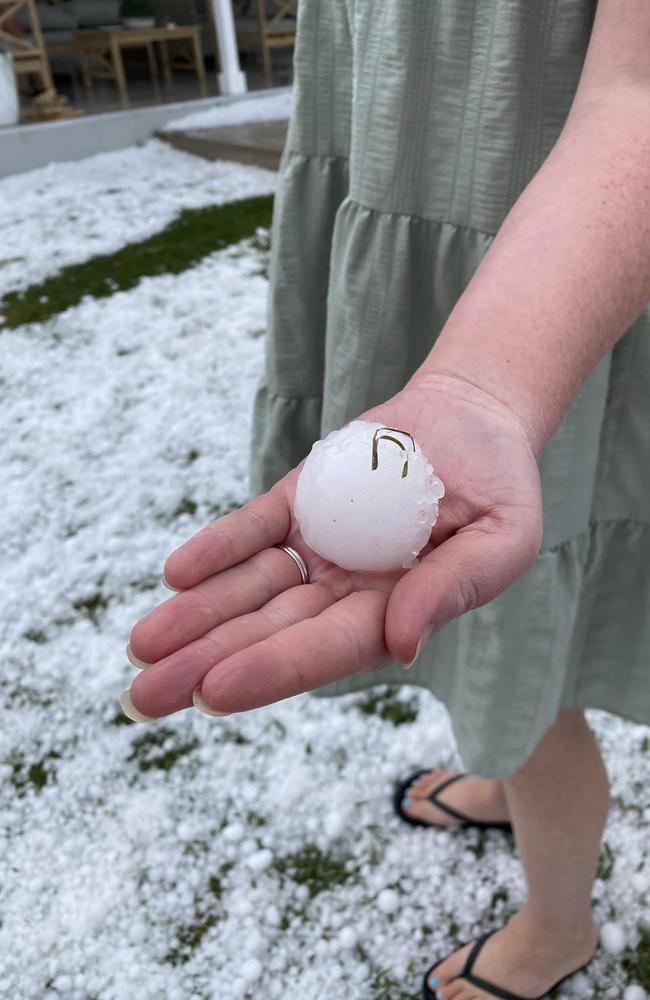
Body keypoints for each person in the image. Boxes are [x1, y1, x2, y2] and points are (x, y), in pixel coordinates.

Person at [123, 1, 650, 996]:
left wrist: (487, 385)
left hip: (553, 262)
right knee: (455, 620)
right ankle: (502, 771)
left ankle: (557, 924)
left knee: (522, 640)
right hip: (397, 172)